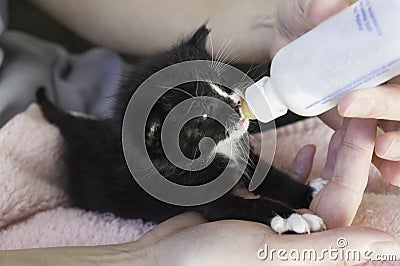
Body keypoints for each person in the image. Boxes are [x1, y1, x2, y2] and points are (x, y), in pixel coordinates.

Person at [0, 0, 398, 264]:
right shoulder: (170, 164)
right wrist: (143, 257)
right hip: (32, 136)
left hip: (84, 85)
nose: (236, 104)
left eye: (226, 88)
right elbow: (221, 202)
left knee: (332, 98)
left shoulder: (196, 127)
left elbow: (245, 165)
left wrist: (267, 25)